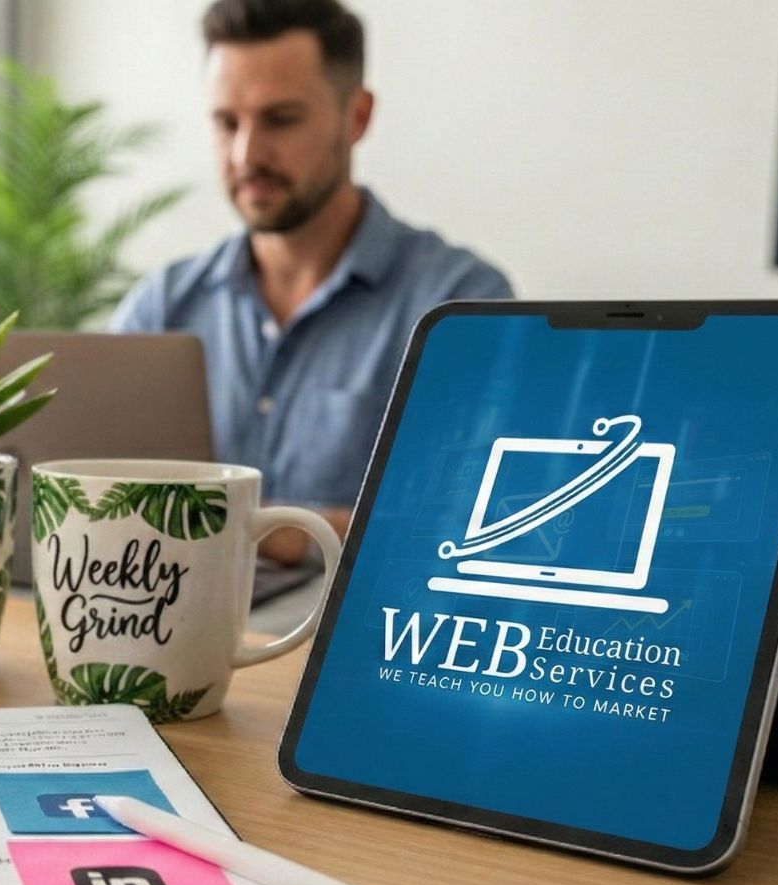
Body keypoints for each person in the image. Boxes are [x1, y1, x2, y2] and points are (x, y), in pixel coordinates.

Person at [112, 0, 511, 565]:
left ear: (357, 116)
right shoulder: (162, 307)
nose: (247, 153)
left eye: (280, 120)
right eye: (227, 123)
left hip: (359, 638)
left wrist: (272, 530)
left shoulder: (459, 305)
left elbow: (478, 529)